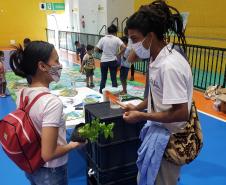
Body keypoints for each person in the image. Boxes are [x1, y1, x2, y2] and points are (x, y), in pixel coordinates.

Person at [123, 1, 193, 185]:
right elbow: (157, 94)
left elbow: (180, 112)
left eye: (135, 39)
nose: (132, 45)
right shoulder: (156, 59)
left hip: (169, 140)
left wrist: (141, 116)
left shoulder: (170, 66)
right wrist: (138, 106)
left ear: (150, 36)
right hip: (158, 133)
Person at [10, 41, 85, 185]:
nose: (60, 65)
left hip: (32, 165)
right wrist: (74, 144)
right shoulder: (51, 102)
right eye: (56, 60)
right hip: (51, 171)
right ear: (42, 66)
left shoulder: (22, 93)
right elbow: (48, 154)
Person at [95, 24, 126, 93]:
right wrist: (118, 54)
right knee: (113, 78)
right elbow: (124, 47)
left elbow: (96, 49)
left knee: (103, 78)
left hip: (104, 61)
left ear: (108, 31)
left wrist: (103, 51)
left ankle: (101, 92)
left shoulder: (103, 39)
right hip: (113, 61)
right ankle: (115, 93)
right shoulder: (117, 39)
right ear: (115, 32)